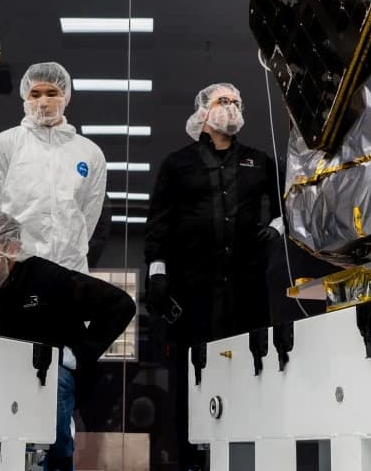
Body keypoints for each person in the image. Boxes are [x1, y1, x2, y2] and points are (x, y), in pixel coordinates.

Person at [0, 212, 136, 471]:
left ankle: (57, 461)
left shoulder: (47, 279)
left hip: (44, 376)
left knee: (58, 384)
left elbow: (119, 304)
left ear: (12, 248)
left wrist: (75, 355)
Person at [143, 82, 283, 471]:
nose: (232, 107)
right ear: (203, 111)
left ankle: (247, 455)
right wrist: (157, 273)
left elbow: (288, 205)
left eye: (237, 101)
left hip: (246, 288)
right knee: (193, 372)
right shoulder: (178, 164)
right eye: (223, 101)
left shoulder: (259, 161)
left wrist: (276, 229)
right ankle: (191, 457)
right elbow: (158, 224)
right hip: (194, 289)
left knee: (249, 366)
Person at [0, 62, 108, 273]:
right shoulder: (5, 145)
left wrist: (69, 249)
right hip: (18, 268)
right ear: (25, 98)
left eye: (52, 93)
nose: (43, 101)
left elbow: (89, 214)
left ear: (66, 97)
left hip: (70, 269)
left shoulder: (89, 153)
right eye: (35, 94)